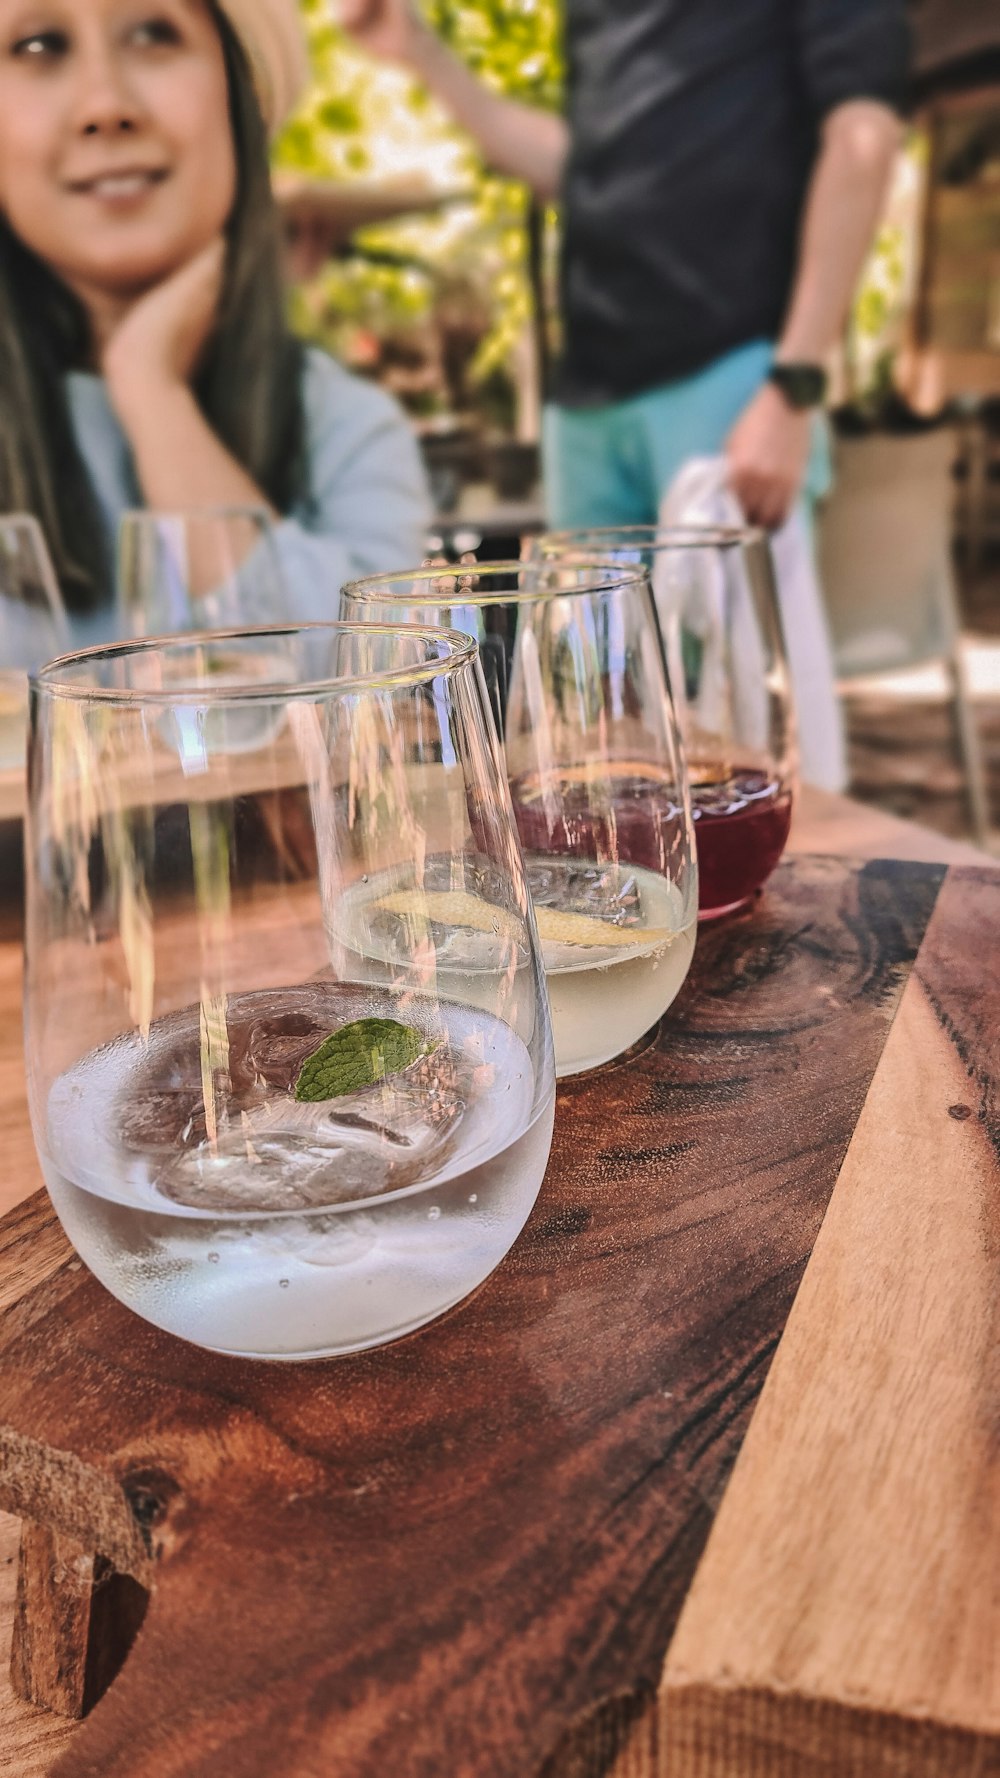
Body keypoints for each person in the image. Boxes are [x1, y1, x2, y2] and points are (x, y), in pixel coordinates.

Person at [338, 0, 907, 535]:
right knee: (587, 643)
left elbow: (863, 134)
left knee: (734, 641)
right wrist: (418, 49)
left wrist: (792, 385)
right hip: (585, 403)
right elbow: (582, 171)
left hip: (728, 379)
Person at [0, 0, 430, 647]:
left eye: (153, 33)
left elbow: (375, 699)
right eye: (39, 46)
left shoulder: (347, 429)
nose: (104, 106)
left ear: (240, 97)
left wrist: (152, 391)